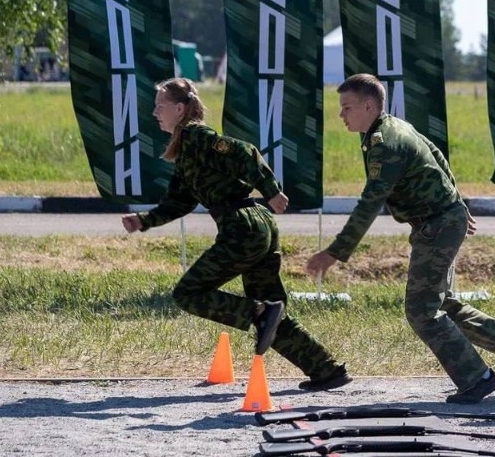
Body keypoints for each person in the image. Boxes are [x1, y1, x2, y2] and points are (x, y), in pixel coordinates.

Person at [305, 73, 495, 405]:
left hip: (438, 225)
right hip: (440, 221)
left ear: (368, 105)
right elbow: (435, 152)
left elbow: (370, 204)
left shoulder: (384, 143)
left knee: (421, 310)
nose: (341, 115)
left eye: (346, 107)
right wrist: (458, 202)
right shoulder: (391, 127)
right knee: (441, 303)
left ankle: (477, 378)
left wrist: (334, 253)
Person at [122, 77, 350, 391]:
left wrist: (271, 189)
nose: (154, 113)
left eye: (160, 106)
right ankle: (325, 370)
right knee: (271, 313)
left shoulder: (197, 137)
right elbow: (179, 201)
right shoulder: (186, 148)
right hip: (256, 225)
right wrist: (143, 221)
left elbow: (246, 152)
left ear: (179, 108)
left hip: (243, 227)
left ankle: (257, 312)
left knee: (189, 293)